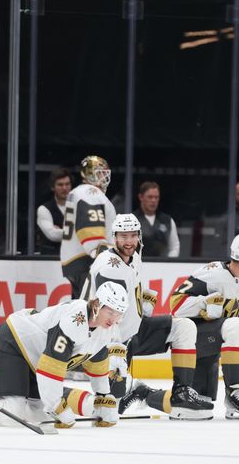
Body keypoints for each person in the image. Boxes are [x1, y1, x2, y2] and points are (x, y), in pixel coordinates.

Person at [0, 282, 127, 429]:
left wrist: (103, 397)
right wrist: (57, 406)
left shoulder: (105, 329)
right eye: (111, 312)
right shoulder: (75, 319)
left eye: (119, 313)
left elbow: (97, 365)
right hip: (13, 344)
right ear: (97, 304)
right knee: (13, 413)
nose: (114, 318)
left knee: (38, 413)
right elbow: (50, 368)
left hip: (35, 358)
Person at [128, 233, 239, 420]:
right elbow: (176, 305)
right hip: (191, 341)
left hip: (211, 346)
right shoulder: (212, 273)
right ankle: (234, 395)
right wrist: (203, 304)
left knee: (197, 409)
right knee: (236, 325)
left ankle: (144, 393)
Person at [81, 214, 211, 420]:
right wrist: (115, 351)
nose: (129, 241)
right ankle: (138, 390)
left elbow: (140, 288)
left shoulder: (134, 255)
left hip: (134, 331)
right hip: (105, 340)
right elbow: (108, 313)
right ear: (114, 237)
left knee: (184, 327)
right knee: (110, 409)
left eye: (133, 235)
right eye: (123, 236)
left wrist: (146, 305)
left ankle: (181, 393)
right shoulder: (110, 266)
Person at [60, 155, 117, 298]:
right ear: (89, 174)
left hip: (76, 260)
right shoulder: (89, 192)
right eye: (99, 173)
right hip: (87, 262)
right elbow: (90, 229)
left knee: (79, 311)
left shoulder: (78, 192)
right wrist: (102, 257)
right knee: (90, 312)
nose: (104, 177)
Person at [132, 181, 180, 257]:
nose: (153, 200)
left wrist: (169, 263)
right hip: (138, 265)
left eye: (156, 197)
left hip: (162, 266)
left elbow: (174, 247)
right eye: (150, 197)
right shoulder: (131, 219)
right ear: (141, 197)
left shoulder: (168, 220)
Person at [36, 167, 71, 255]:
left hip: (73, 259)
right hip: (50, 260)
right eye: (60, 184)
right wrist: (78, 232)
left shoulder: (78, 206)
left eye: (67, 184)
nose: (64, 188)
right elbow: (53, 235)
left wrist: (61, 231)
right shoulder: (44, 209)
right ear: (52, 187)